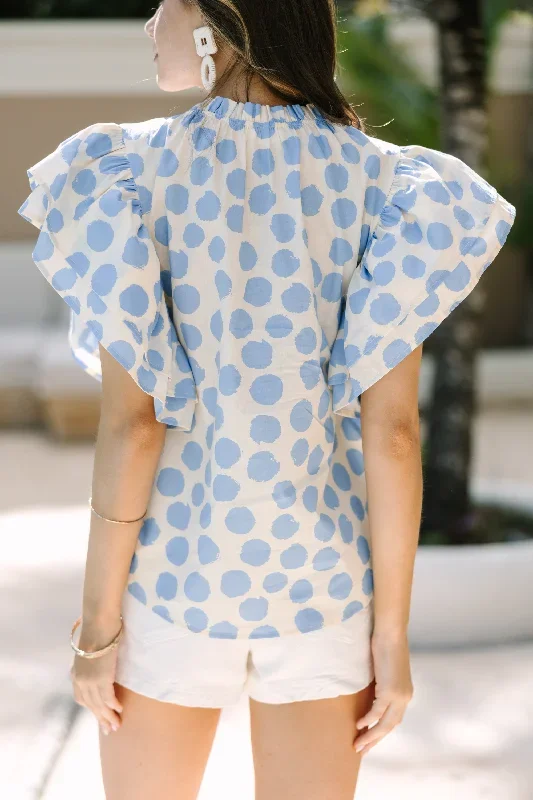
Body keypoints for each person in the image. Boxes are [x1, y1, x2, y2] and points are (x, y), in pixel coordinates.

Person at [17, 0, 516, 797]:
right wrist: (389, 639)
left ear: (225, 19)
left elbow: (134, 427)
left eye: (164, 4)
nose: (150, 24)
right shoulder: (390, 187)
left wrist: (98, 629)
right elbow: (391, 435)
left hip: (173, 582)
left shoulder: (123, 176)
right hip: (323, 587)